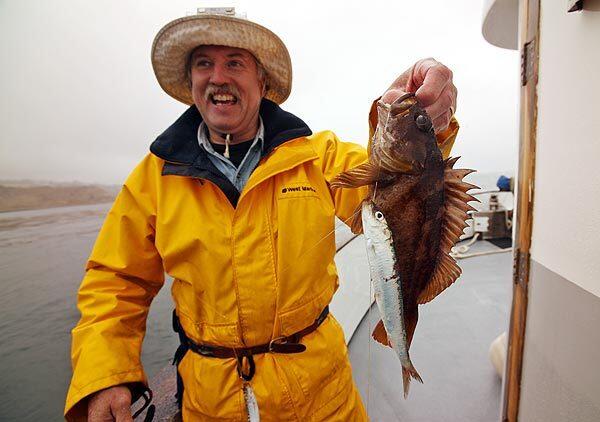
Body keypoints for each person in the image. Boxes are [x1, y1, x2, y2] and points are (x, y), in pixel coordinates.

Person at [64, 9, 458, 421]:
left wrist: (430, 124)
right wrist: (105, 373)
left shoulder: (318, 157)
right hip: (208, 403)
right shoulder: (154, 177)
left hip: (322, 398)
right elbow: (115, 279)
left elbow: (401, 190)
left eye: (234, 62)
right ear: (192, 83)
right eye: (204, 64)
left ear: (262, 82)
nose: (218, 76)